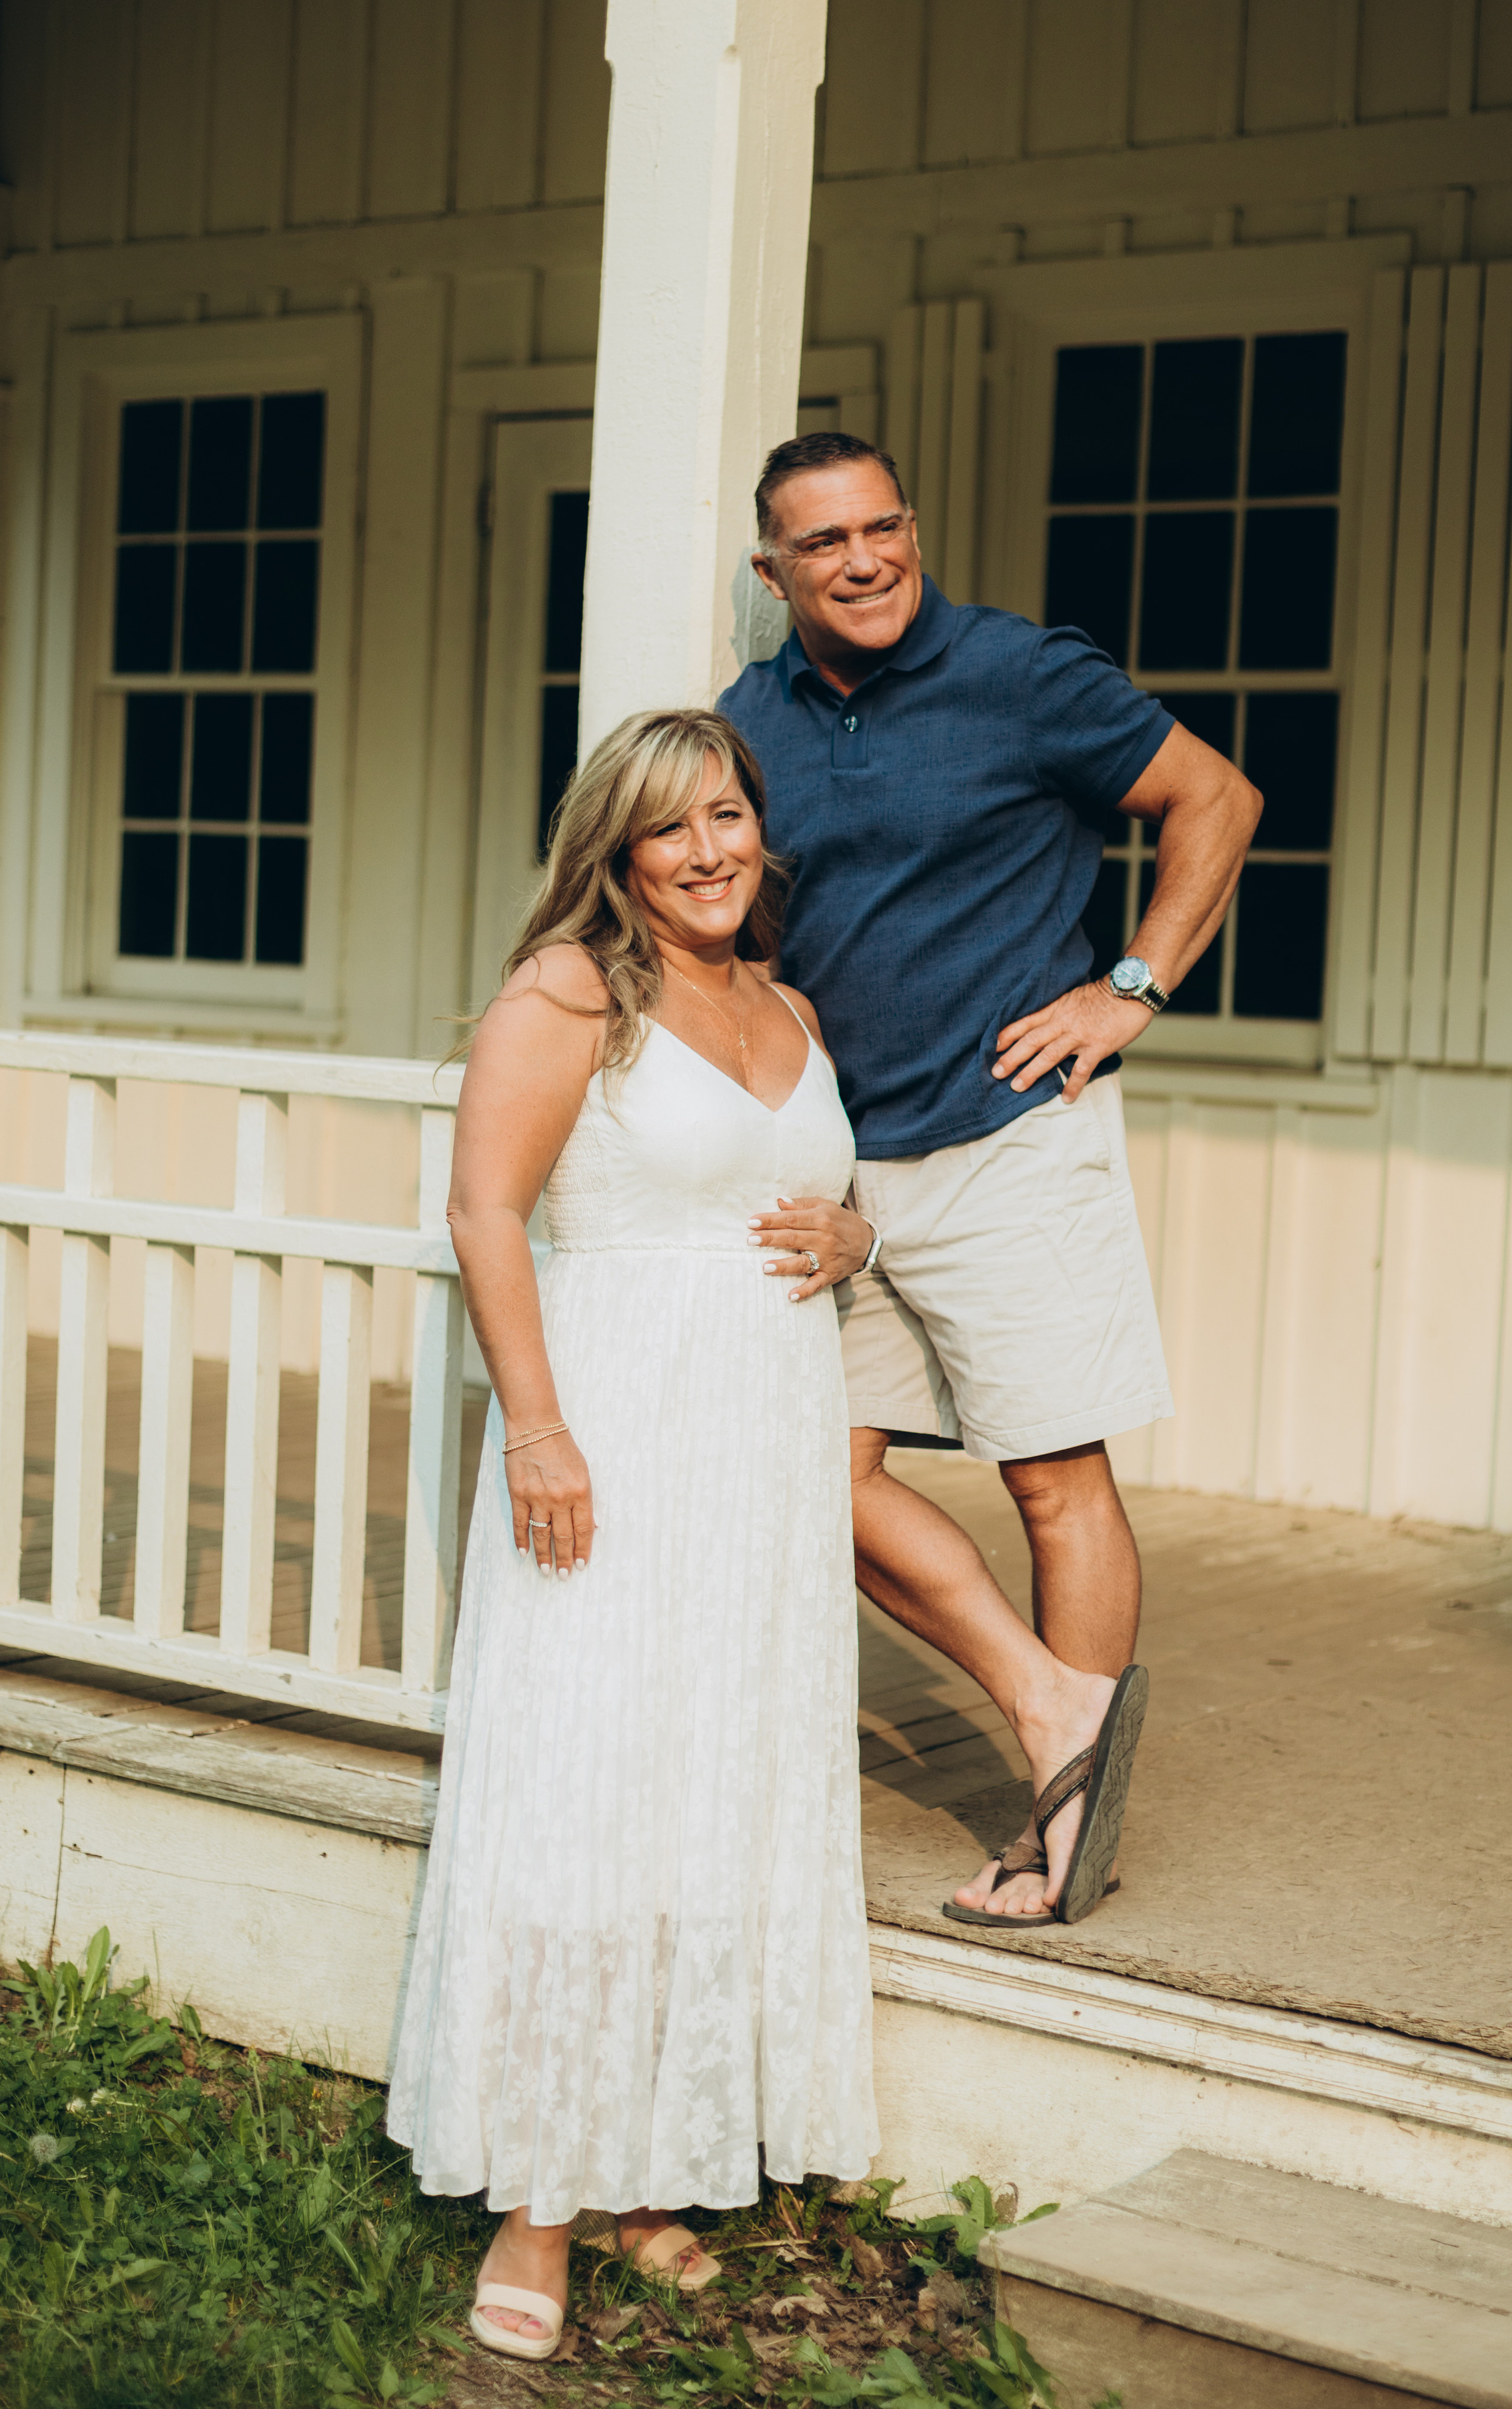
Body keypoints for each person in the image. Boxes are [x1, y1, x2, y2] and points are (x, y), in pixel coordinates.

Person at [387, 710, 880, 2363]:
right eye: (668, 829)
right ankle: (539, 2193)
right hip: (613, 1434)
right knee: (585, 1789)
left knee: (711, 1789)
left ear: (760, 828)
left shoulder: (790, 1005)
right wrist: (537, 1427)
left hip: (766, 1452)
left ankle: (643, 2158)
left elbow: (801, 1190)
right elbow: (484, 1214)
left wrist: (855, 1230)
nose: (706, 850)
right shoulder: (570, 997)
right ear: (617, 848)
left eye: (727, 815)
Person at [720, 433, 1262, 1933]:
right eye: (822, 543)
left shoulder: (1019, 674)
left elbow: (1215, 798)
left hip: (1008, 1135)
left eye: (881, 525)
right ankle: (1051, 1711)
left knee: (1048, 1475)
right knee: (812, 1481)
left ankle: (1061, 1822)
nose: (864, 559)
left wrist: (1131, 989)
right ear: (774, 573)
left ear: (911, 526)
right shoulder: (746, 722)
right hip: (840, 1166)